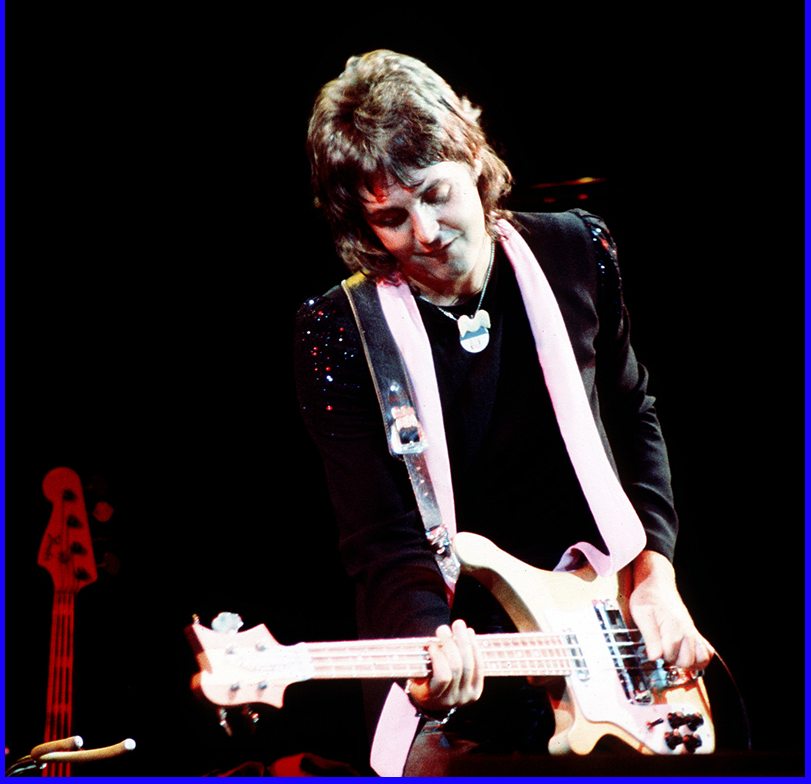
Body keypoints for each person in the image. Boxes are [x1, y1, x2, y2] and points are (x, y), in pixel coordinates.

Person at [294, 49, 713, 775]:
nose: (426, 232)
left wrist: (655, 574)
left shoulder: (576, 248)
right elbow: (380, 539)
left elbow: (630, 412)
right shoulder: (340, 331)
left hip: (607, 615)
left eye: (436, 194)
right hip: (459, 632)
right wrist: (430, 649)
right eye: (391, 218)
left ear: (470, 154)